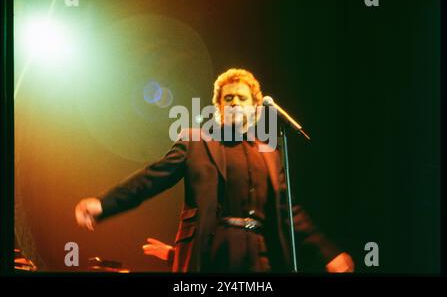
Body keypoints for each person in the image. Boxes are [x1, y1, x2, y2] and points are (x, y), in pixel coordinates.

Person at [75, 68, 354, 273]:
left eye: (241, 98)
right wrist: (103, 203)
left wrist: (327, 252)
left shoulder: (269, 154)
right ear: (218, 108)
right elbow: (152, 178)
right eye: (228, 98)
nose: (234, 102)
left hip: (259, 256)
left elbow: (288, 211)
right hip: (213, 252)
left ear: (256, 110)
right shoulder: (196, 143)